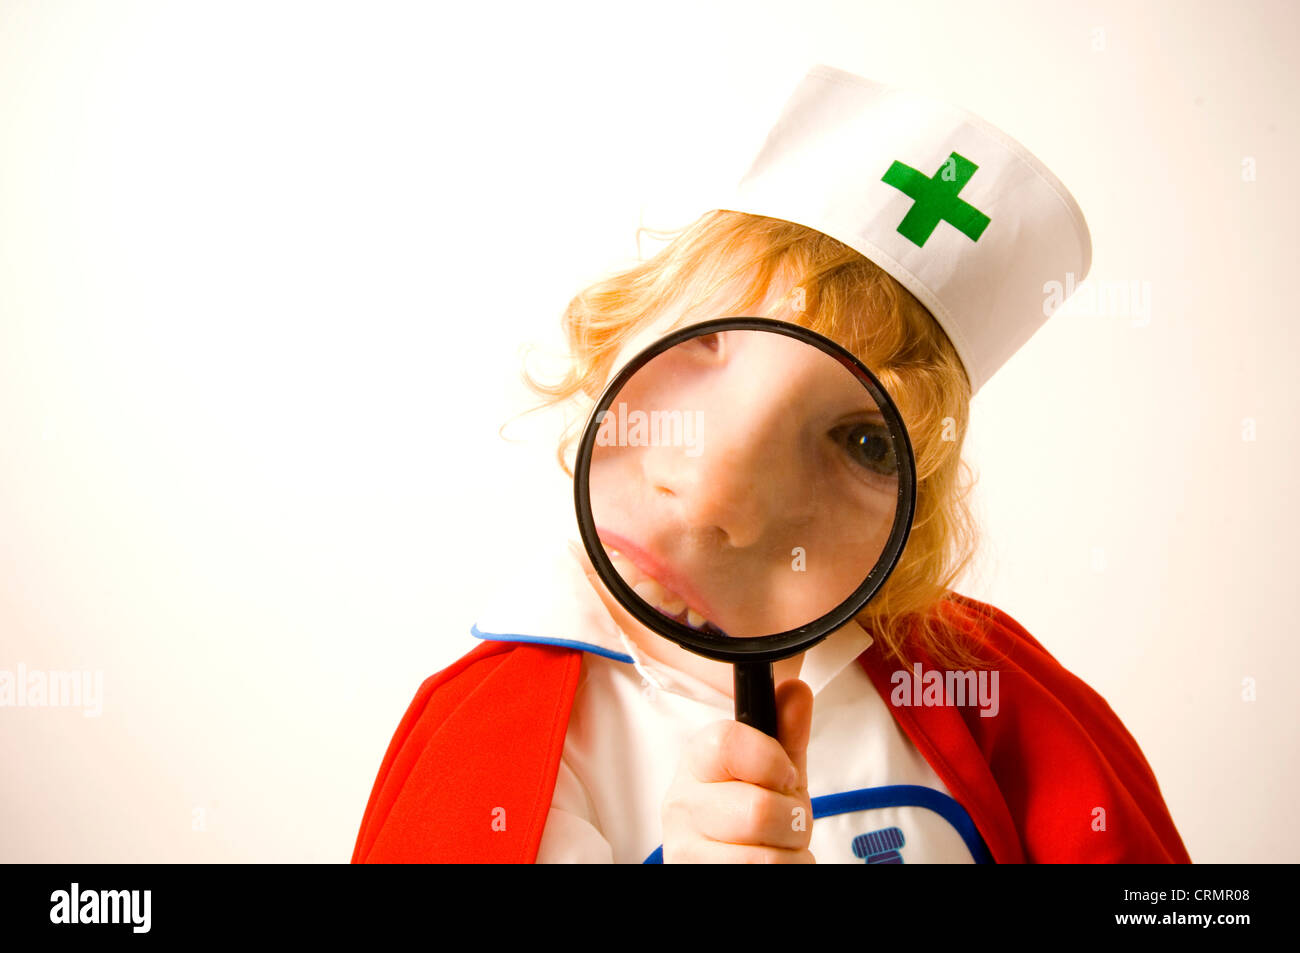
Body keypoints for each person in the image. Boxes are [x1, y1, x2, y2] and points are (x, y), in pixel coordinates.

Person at [351, 64, 1192, 864]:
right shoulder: (492, 742)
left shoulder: (996, 694)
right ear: (615, 338)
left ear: (914, 528)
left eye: (861, 443)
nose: (716, 493)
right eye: (711, 338)